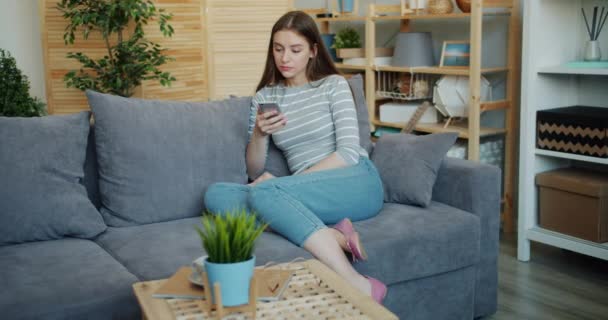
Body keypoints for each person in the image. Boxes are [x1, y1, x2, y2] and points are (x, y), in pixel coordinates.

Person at [204, 11, 386, 304]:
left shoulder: (332, 85)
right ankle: (335, 236)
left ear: (313, 51)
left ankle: (357, 283)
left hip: (354, 180)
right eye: (278, 49)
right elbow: (254, 169)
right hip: (306, 195)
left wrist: (286, 185)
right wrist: (260, 135)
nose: (285, 57)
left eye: (295, 49)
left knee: (264, 193)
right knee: (216, 196)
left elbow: (349, 152)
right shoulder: (265, 97)